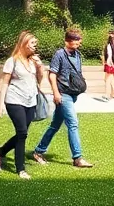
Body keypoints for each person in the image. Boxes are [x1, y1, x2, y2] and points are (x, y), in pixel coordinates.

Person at [33, 29, 92, 169]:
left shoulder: (78, 55)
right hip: (63, 94)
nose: (79, 43)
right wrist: (56, 93)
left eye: (79, 41)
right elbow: (52, 74)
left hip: (73, 93)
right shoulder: (59, 54)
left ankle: (38, 151)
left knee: (55, 125)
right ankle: (77, 158)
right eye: (76, 41)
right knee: (73, 123)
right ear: (68, 41)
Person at [0, 31, 47, 179]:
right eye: (33, 43)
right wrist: (0, 104)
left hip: (31, 101)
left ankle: (0, 152)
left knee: (21, 134)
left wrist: (40, 67)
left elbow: (39, 81)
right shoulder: (12, 61)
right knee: (22, 133)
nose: (35, 46)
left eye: (36, 44)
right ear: (24, 43)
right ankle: (20, 169)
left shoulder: (32, 62)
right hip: (14, 100)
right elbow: (5, 83)